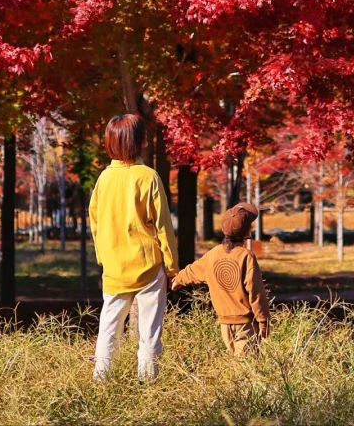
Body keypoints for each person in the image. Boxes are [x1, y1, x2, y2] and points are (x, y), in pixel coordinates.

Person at [88, 113, 176, 382]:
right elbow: (162, 226)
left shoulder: (104, 179)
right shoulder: (148, 177)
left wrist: (103, 257)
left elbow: (96, 222)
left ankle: (100, 381)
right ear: (139, 141)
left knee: (108, 328)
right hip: (148, 267)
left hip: (114, 267)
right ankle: (148, 385)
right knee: (149, 333)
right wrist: (172, 266)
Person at [170, 203, 271, 358]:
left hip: (224, 323)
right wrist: (263, 319)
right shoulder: (246, 256)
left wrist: (178, 279)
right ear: (247, 232)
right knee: (246, 369)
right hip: (245, 323)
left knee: (235, 365)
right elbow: (256, 291)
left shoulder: (213, 254)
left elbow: (193, 270)